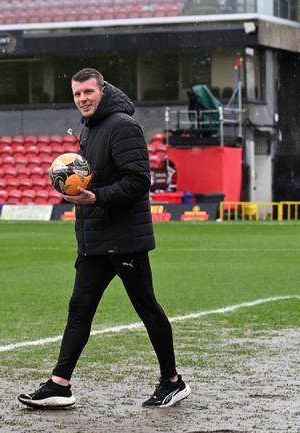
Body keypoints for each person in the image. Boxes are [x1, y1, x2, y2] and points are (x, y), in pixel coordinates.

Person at [18, 68, 189, 410]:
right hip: (95, 239)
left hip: (124, 239)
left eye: (88, 92)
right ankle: (59, 384)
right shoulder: (89, 128)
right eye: (77, 94)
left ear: (102, 91)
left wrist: (96, 198)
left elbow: (139, 181)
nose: (82, 99)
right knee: (79, 309)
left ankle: (172, 381)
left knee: (147, 308)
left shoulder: (123, 126)